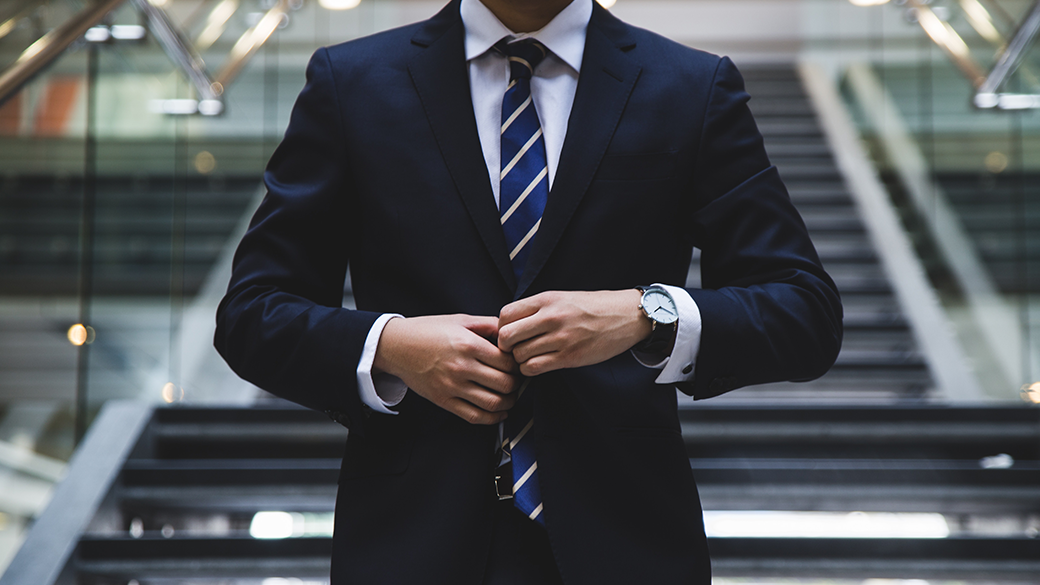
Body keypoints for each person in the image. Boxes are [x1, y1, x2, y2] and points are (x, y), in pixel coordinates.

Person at [215, 0, 843, 582]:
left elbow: (804, 309)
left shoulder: (691, 86)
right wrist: (390, 345)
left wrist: (648, 312)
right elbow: (252, 312)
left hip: (627, 542)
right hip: (408, 541)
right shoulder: (351, 82)